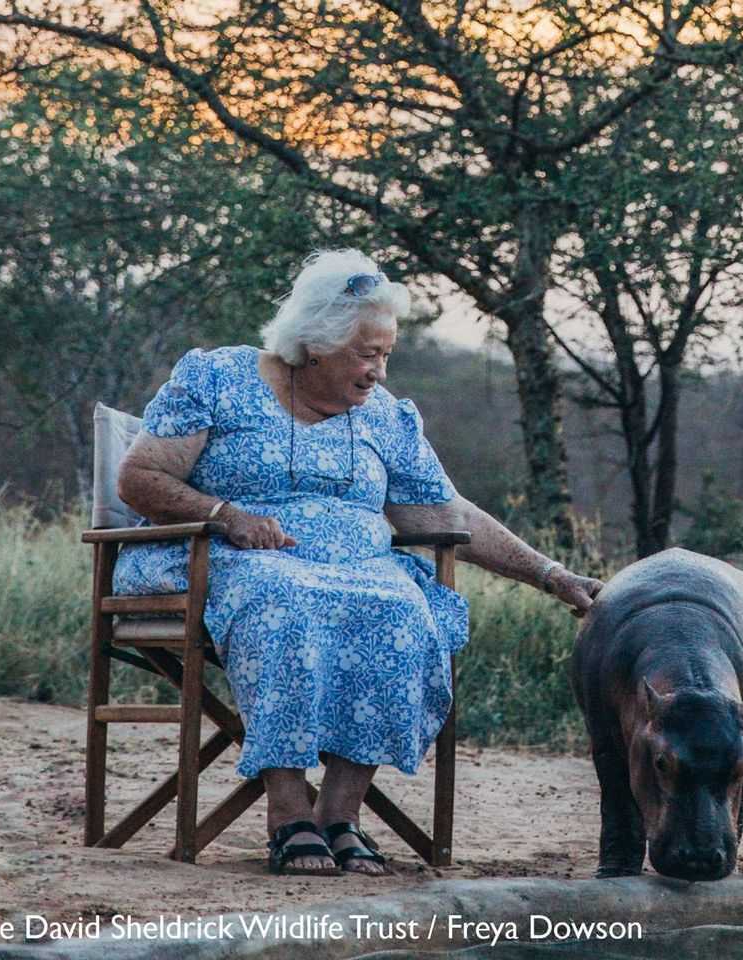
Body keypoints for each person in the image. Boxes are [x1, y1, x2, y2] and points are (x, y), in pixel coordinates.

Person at [113, 248, 603, 876]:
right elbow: (141, 477)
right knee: (284, 600)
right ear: (315, 344)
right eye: (366, 354)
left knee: (403, 609)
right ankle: (288, 815)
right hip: (231, 559)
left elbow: (446, 514)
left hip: (361, 574)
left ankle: (339, 816)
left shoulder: (387, 417)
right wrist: (228, 516)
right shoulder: (219, 378)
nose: (379, 370)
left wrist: (551, 575)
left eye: (387, 354)